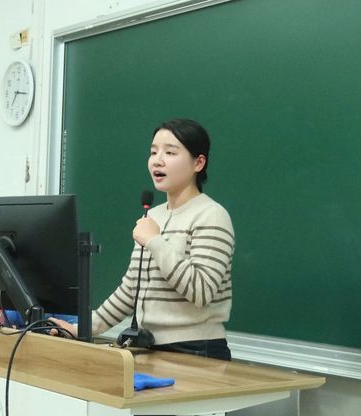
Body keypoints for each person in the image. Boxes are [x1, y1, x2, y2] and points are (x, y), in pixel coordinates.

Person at [52, 118, 235, 361]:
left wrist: (155, 241)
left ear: (198, 163)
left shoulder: (211, 215)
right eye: (153, 152)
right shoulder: (152, 216)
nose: (157, 160)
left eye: (170, 152)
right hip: (149, 347)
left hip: (197, 350)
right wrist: (82, 329)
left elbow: (201, 291)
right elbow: (130, 290)